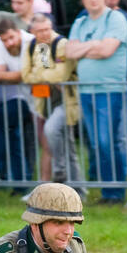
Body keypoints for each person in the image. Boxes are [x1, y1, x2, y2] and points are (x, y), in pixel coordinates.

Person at [67, 0, 127, 203]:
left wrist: (87, 48)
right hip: (87, 92)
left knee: (108, 141)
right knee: (96, 143)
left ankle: (116, 191)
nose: (93, 0)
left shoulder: (116, 19)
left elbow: (107, 50)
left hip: (110, 90)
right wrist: (93, 45)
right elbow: (70, 51)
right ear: (83, 0)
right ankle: (107, 190)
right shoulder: (81, 22)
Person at [23, 12, 83, 193]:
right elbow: (27, 76)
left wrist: (41, 76)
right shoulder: (39, 46)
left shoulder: (61, 44)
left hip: (67, 101)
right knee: (69, 145)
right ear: (33, 31)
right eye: (40, 31)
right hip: (47, 102)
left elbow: (60, 75)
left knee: (51, 130)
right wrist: (43, 77)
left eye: (48, 29)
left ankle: (60, 170)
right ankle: (78, 189)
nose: (45, 34)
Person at [0, 17, 35, 187]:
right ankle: (17, 180)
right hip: (21, 98)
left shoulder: (34, 42)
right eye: (5, 40)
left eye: (12, 38)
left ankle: (7, 172)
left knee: (47, 141)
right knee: (9, 129)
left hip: (42, 99)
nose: (9, 43)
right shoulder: (0, 45)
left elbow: (27, 74)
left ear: (19, 32)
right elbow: (1, 72)